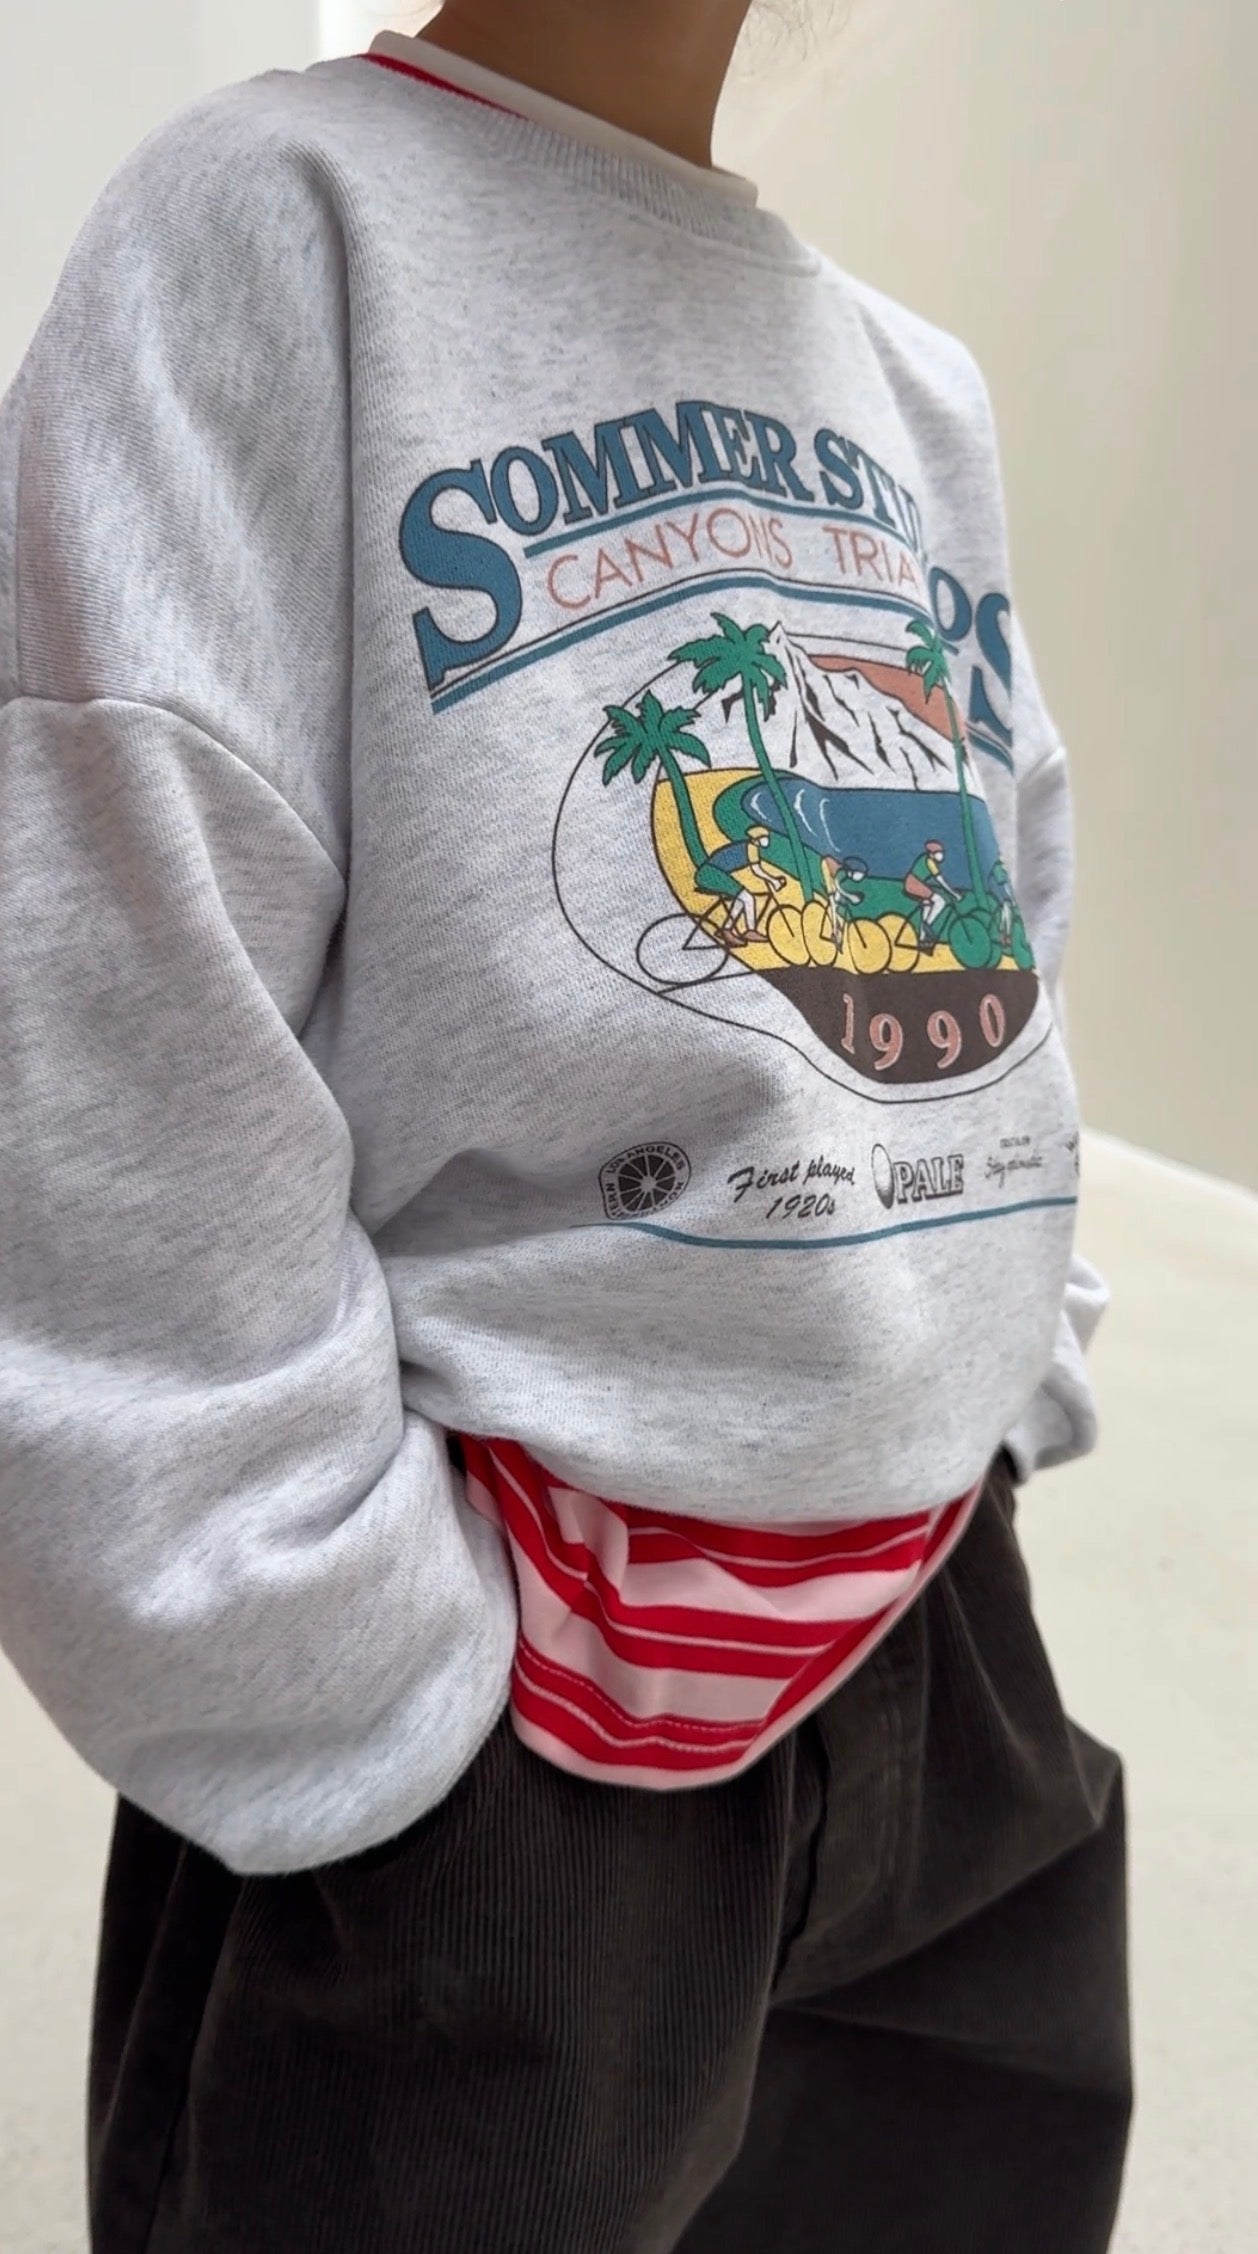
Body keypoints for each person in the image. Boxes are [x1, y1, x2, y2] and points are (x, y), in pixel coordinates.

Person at [0, 4, 1131, 2250]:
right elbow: (113, 1023)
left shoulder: (910, 383)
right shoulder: (281, 225)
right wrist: (357, 1700)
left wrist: (1014, 1356)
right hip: (509, 1721)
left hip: (946, 1633)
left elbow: (1004, 881)